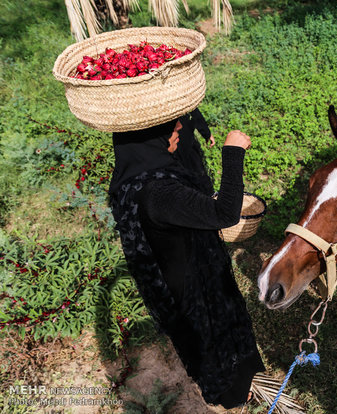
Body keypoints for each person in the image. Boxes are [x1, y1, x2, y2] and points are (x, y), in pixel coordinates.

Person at [108, 109, 265, 409]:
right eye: (170, 124)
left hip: (175, 277)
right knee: (216, 345)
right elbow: (225, 214)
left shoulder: (134, 177)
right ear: (148, 138)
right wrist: (232, 154)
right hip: (195, 290)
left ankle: (232, 388)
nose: (180, 126)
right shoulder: (160, 193)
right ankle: (233, 396)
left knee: (204, 344)